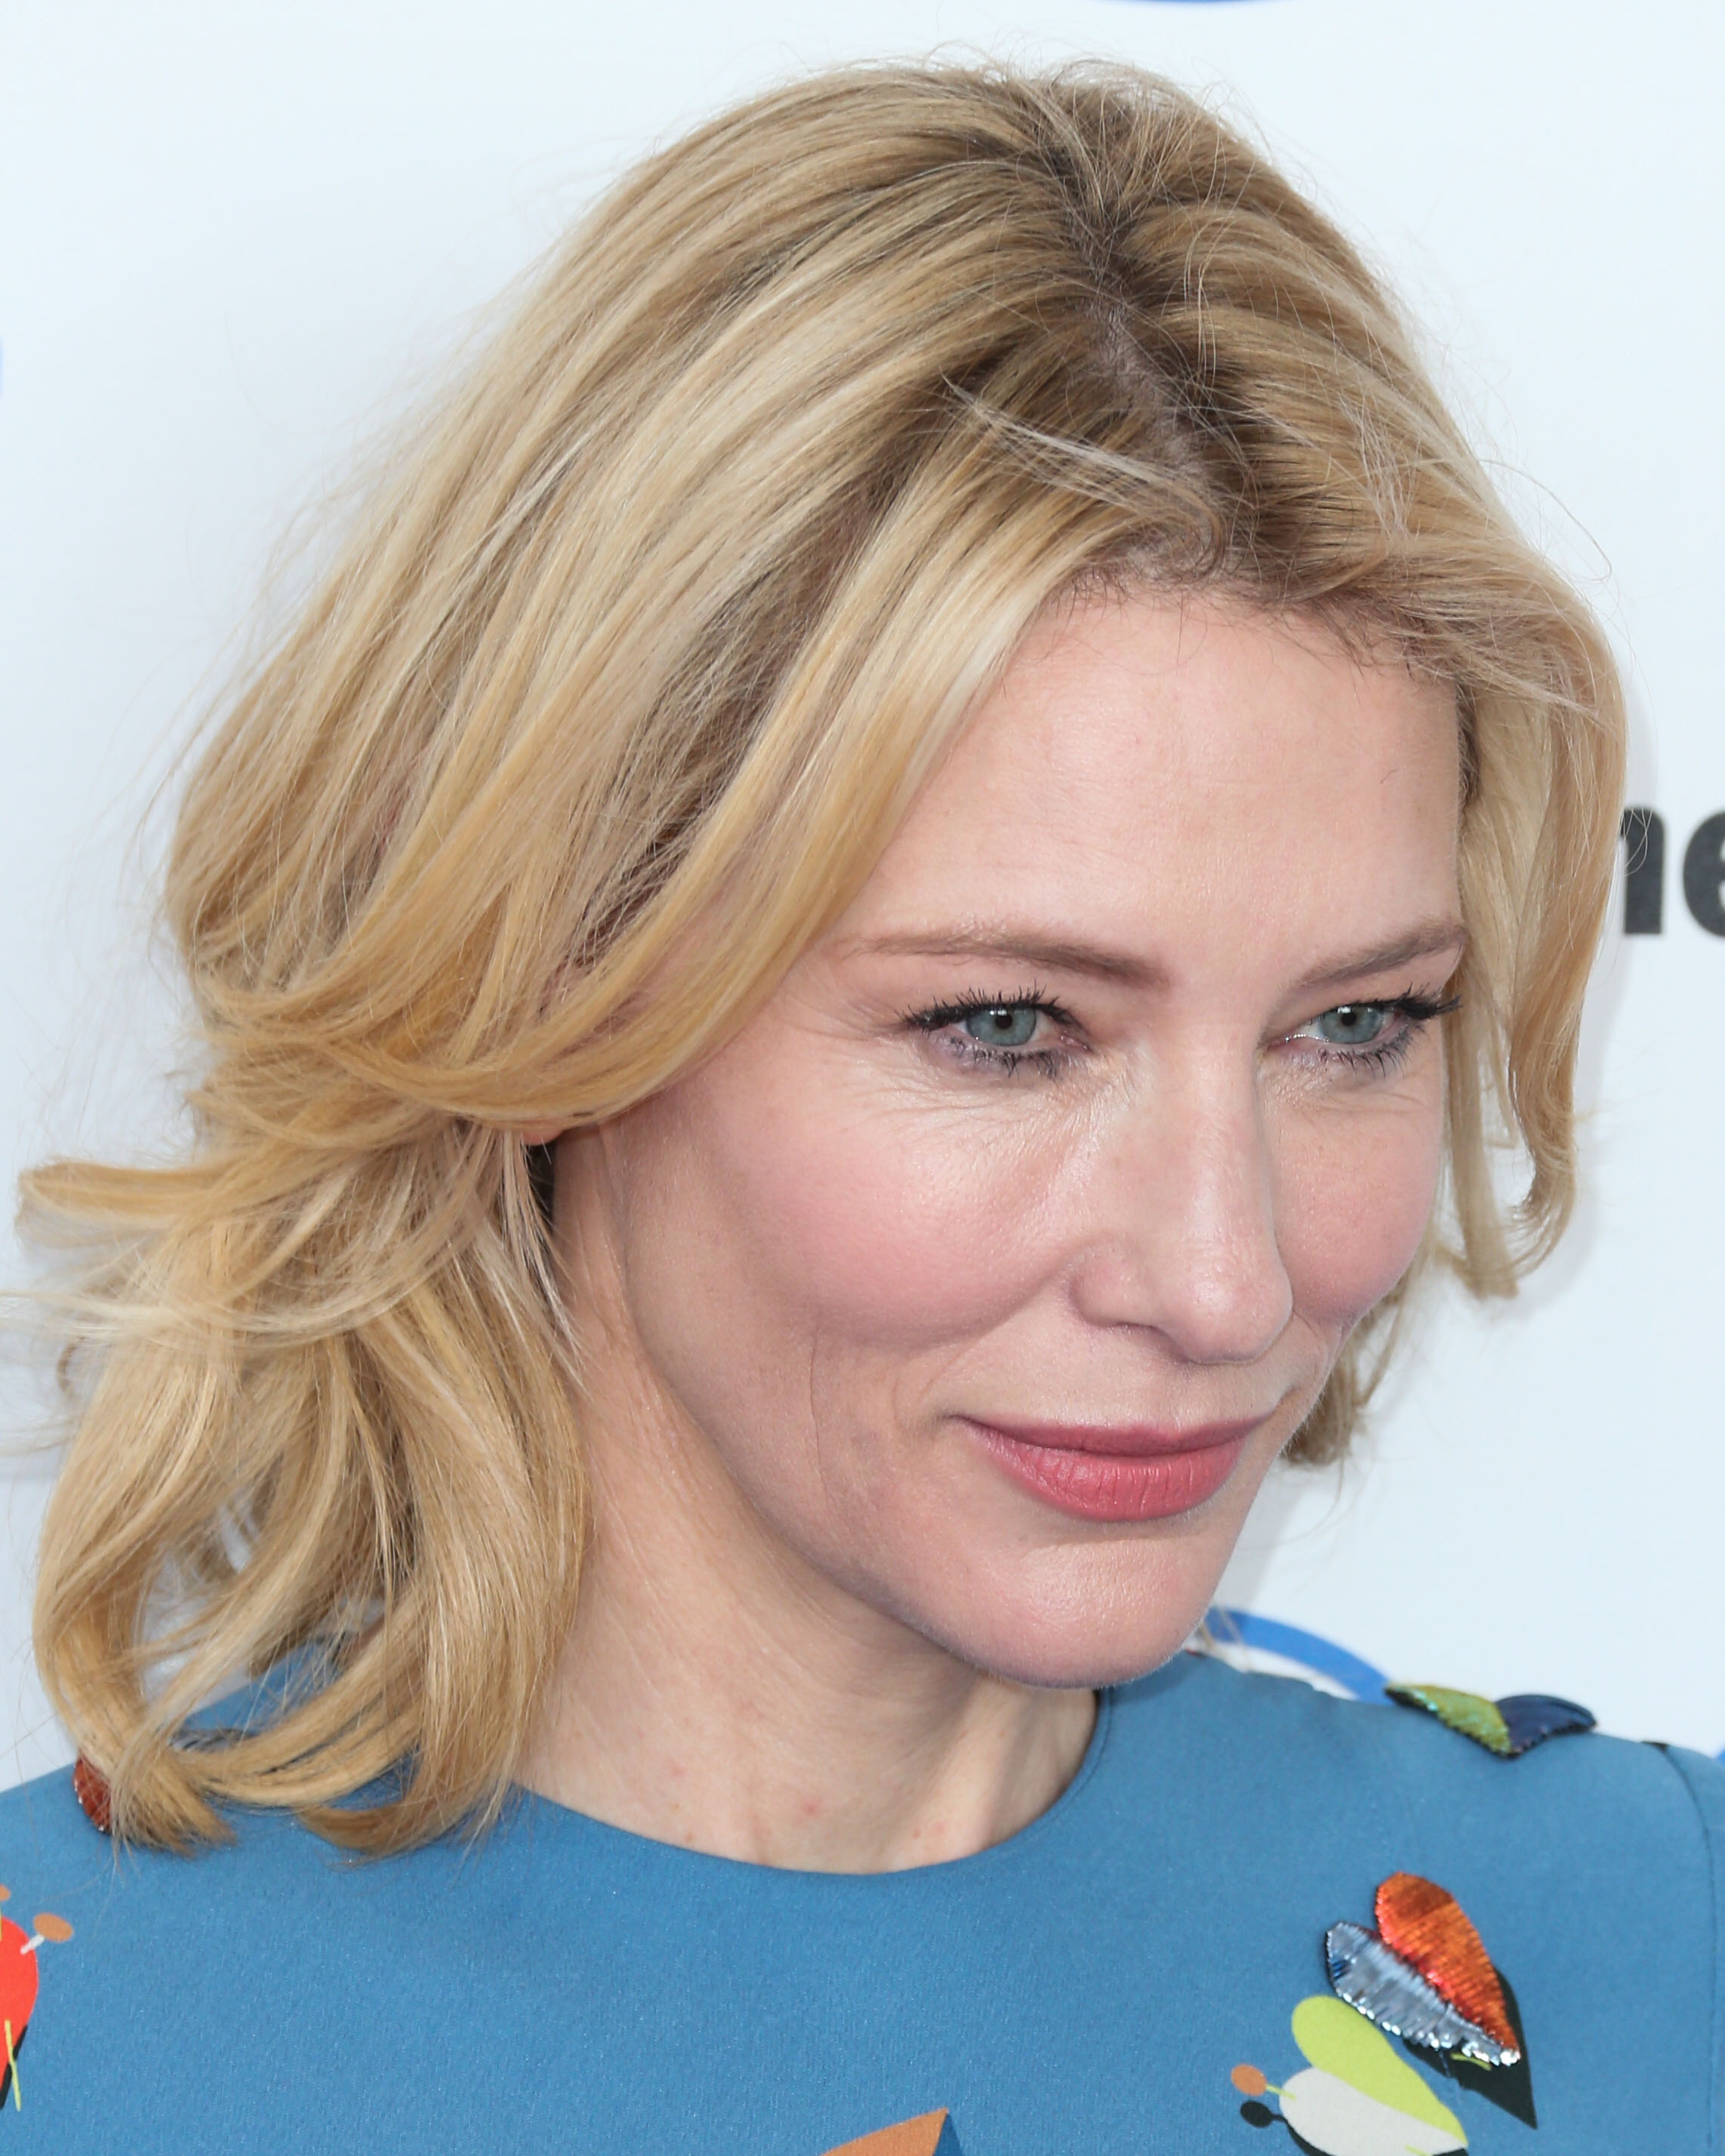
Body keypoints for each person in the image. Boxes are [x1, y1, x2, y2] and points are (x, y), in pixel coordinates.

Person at [1, 60, 1717, 2156]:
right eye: (1007, 1028)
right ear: (552, 990)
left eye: (1354, 1024)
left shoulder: (1669, 1957)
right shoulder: (75, 2047)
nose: (1227, 1278)